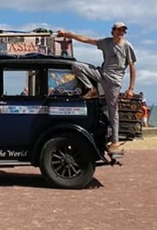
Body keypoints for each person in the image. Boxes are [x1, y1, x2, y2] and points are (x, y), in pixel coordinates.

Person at [57, 22, 137, 157]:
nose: (121, 32)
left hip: (114, 82)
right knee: (76, 66)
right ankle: (90, 89)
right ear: (113, 31)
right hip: (101, 74)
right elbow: (86, 40)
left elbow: (132, 67)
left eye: (123, 30)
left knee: (113, 110)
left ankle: (115, 141)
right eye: (119, 30)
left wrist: (131, 88)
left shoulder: (127, 46)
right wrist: (66, 34)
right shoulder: (106, 42)